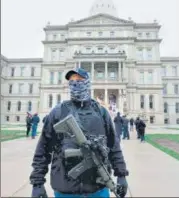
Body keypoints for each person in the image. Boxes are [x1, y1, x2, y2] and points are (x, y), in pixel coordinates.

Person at [30, 68, 129, 198]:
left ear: (87, 82)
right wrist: (37, 183)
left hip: (97, 188)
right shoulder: (58, 112)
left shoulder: (101, 112)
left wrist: (121, 175)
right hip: (65, 188)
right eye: (71, 81)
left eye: (79, 80)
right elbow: (43, 149)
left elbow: (114, 146)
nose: (75, 84)